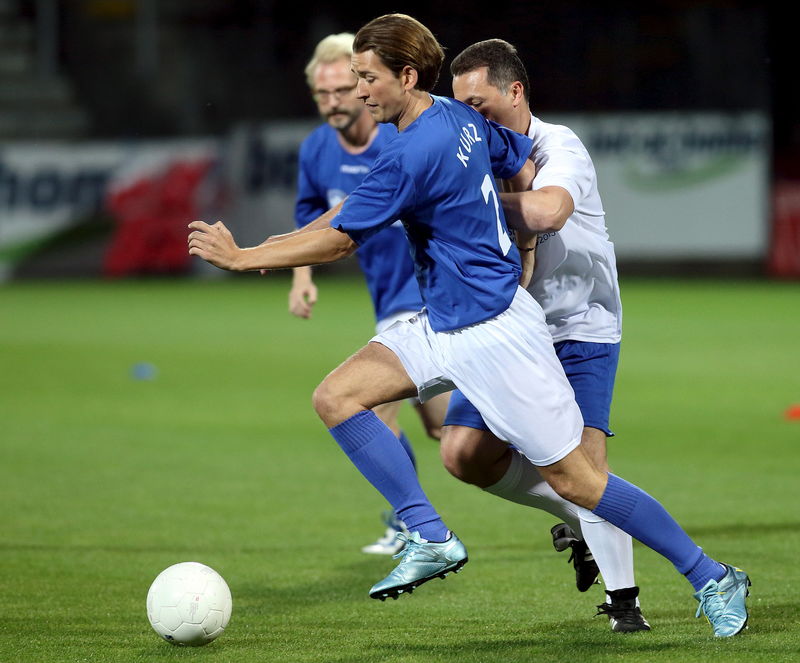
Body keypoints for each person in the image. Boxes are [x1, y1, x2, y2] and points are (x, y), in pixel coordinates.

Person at [188, 13, 750, 638]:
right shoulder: (458, 120)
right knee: (338, 397)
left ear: (406, 75)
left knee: (580, 481)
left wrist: (243, 257)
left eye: (369, 79)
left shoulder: (416, 150)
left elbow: (343, 241)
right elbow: (507, 161)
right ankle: (429, 535)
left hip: (496, 333)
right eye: (353, 80)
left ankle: (712, 575)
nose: (359, 92)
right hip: (442, 322)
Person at [442, 38, 647, 632]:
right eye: (462, 107)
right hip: (509, 329)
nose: (471, 118)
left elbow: (549, 210)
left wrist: (465, 204)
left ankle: (625, 605)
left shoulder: (560, 145)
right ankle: (578, 511)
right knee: (462, 454)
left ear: (515, 91)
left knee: (588, 462)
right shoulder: (468, 156)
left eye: (480, 104)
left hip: (580, 323)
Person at [290, 32, 450, 555]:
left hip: (424, 293)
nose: (332, 101)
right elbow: (311, 212)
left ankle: (413, 526)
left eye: (342, 87)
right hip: (387, 296)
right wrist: (301, 274)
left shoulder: (399, 136)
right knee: (448, 433)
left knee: (363, 402)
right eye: (321, 93)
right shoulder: (316, 149)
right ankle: (565, 481)